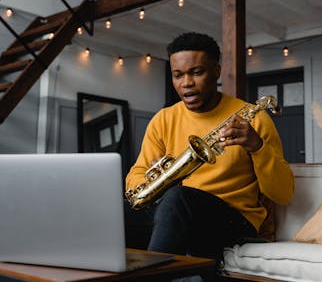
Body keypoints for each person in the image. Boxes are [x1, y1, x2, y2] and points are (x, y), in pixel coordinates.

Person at [125, 32, 294, 259]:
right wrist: (154, 179)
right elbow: (135, 177)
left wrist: (257, 146)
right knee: (119, 212)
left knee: (177, 199)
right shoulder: (163, 119)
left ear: (216, 70)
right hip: (177, 212)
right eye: (178, 75)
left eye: (197, 72)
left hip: (235, 221)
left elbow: (283, 194)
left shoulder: (253, 118)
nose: (186, 84)